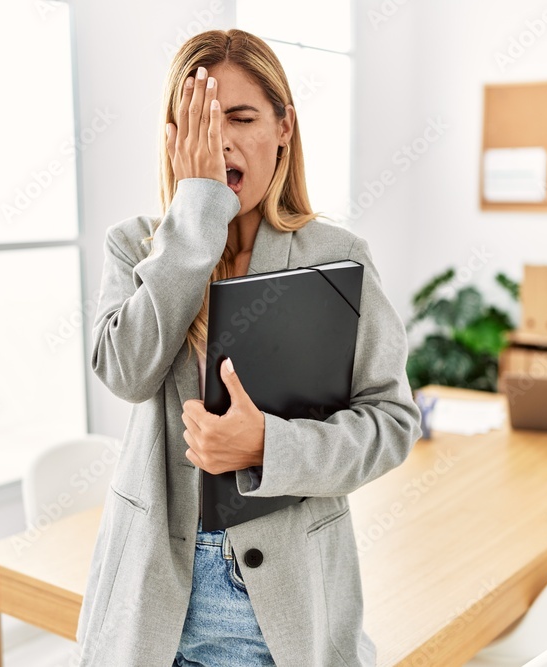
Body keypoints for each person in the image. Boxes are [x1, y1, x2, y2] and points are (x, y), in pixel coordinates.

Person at [75, 28, 422, 667]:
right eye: (199, 124)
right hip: (152, 596)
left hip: (279, 601)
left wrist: (268, 446)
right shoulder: (137, 246)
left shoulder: (336, 259)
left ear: (284, 126)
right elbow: (127, 371)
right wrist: (195, 218)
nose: (222, 141)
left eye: (241, 117)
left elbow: (393, 423)